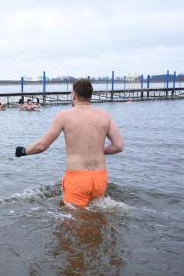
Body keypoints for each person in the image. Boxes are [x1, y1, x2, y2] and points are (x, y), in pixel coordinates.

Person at [14, 79, 124, 208]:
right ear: (90, 95)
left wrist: (23, 151)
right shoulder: (105, 116)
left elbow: (42, 145)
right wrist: (99, 150)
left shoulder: (64, 116)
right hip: (100, 177)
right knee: (96, 216)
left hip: (78, 178)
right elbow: (118, 146)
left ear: (73, 95)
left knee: (73, 221)